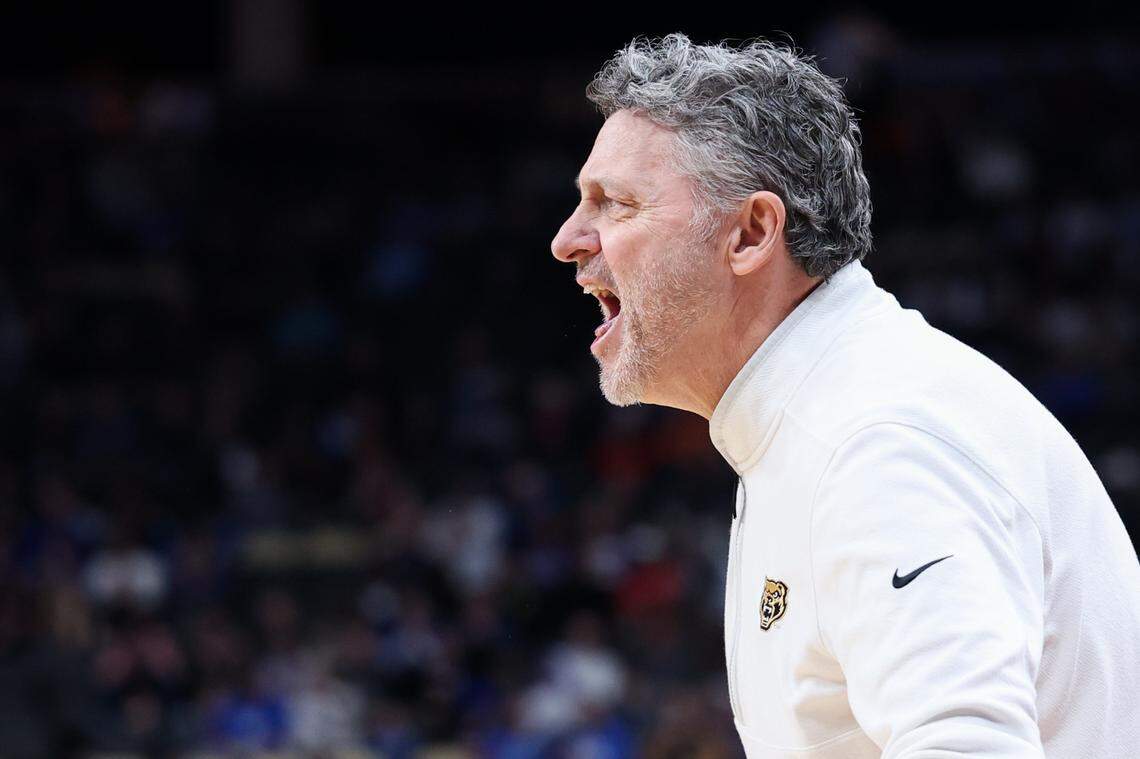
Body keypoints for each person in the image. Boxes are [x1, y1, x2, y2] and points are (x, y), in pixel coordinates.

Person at [550, 32, 1140, 758]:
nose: (568, 238)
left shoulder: (877, 437)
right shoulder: (820, 411)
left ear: (752, 233)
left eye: (614, 204)